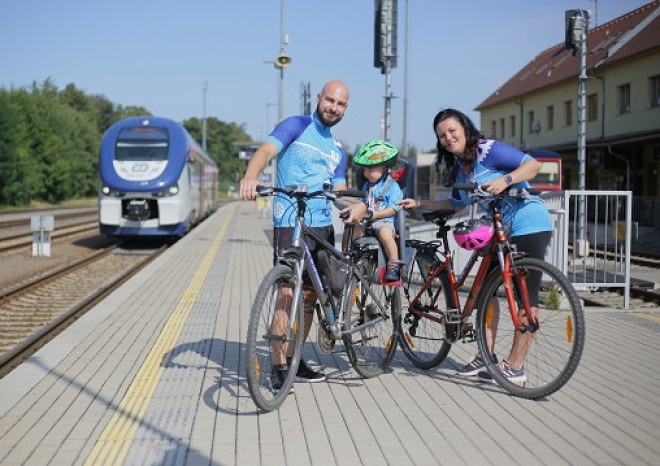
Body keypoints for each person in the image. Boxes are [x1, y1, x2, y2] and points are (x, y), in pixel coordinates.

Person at [396, 108, 552, 383]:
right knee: (484, 293)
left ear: (465, 128)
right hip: (499, 231)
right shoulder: (461, 166)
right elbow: (456, 204)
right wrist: (420, 204)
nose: (448, 137)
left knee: (525, 299)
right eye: (442, 135)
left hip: (528, 223)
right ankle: (486, 355)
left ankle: (515, 367)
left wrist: (504, 180)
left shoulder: (487, 149)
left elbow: (533, 165)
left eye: (452, 131)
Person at [239, 80, 350, 391]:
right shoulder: (296, 126)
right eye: (330, 100)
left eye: (341, 105)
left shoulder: (338, 150)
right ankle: (277, 366)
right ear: (319, 98)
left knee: (310, 299)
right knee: (286, 293)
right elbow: (265, 150)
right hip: (290, 221)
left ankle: (296, 358)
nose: (334, 108)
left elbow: (339, 190)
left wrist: (357, 206)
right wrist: (251, 176)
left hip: (322, 226)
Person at [350, 139, 404, 283]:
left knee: (385, 234)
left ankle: (393, 264)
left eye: (371, 170)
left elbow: (393, 208)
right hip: (367, 220)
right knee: (354, 229)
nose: (367, 174)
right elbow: (362, 202)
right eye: (365, 170)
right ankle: (350, 258)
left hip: (383, 220)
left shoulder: (392, 186)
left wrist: (377, 214)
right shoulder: (367, 185)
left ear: (383, 169)